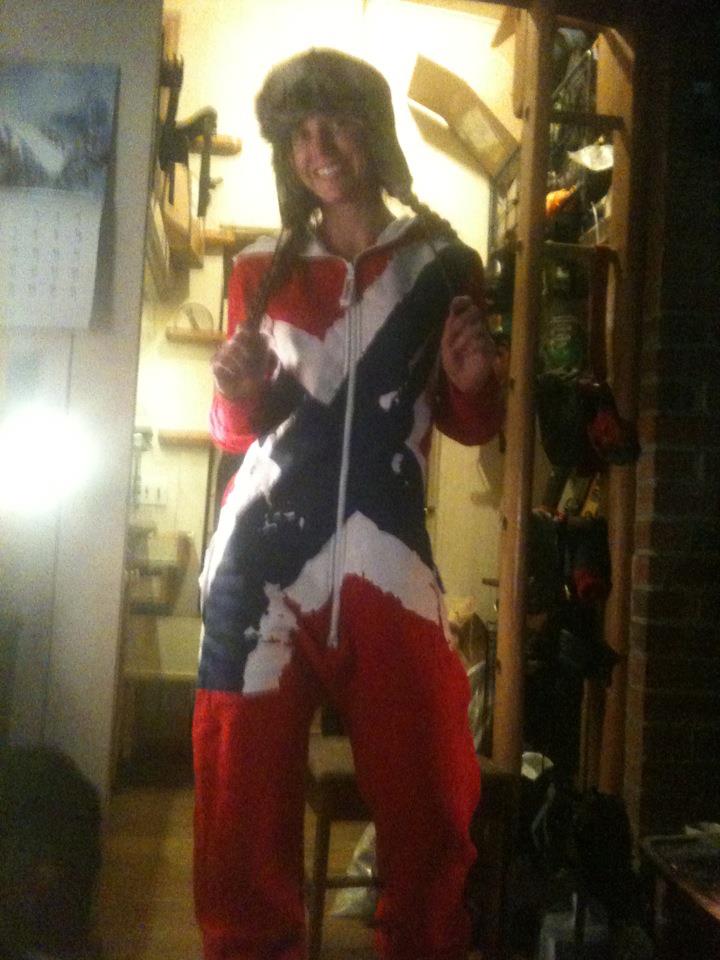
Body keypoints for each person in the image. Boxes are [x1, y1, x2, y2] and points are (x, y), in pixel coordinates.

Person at [193, 47, 504, 960]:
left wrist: (476, 383)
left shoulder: (446, 264)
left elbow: (470, 422)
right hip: (256, 574)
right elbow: (234, 429)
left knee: (432, 803)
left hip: (386, 563)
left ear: (374, 131)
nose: (318, 147)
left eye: (335, 123)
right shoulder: (257, 266)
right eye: (299, 132)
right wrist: (236, 391)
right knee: (238, 818)